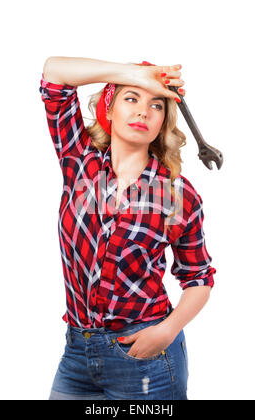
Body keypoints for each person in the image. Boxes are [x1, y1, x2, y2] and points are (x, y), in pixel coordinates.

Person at [39, 57, 217, 400]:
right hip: (76, 352)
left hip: (146, 355)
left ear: (163, 122)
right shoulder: (80, 163)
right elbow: (54, 75)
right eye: (131, 98)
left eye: (156, 105)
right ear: (110, 108)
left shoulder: (177, 194)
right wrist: (136, 74)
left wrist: (166, 332)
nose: (144, 111)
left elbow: (199, 278)